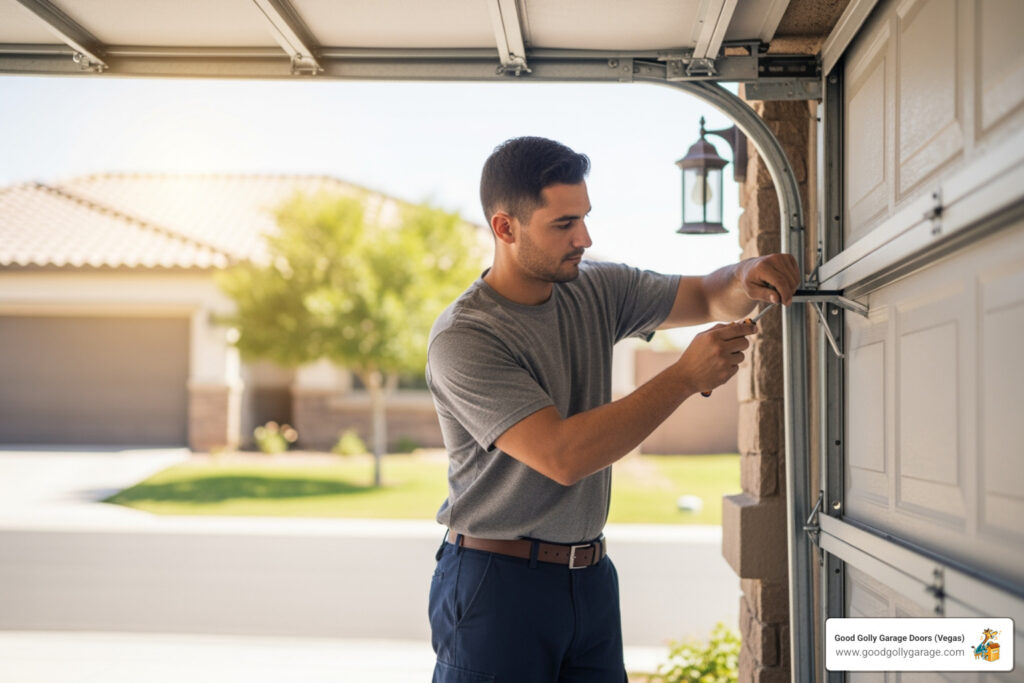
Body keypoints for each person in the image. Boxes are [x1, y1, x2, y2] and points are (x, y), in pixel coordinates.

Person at [425, 136, 799, 682]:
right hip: (496, 585)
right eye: (564, 224)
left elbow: (707, 295)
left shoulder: (596, 287)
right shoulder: (466, 336)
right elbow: (563, 456)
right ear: (505, 228)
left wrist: (749, 273)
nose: (584, 237)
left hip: (591, 578)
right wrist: (684, 377)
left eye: (584, 217)